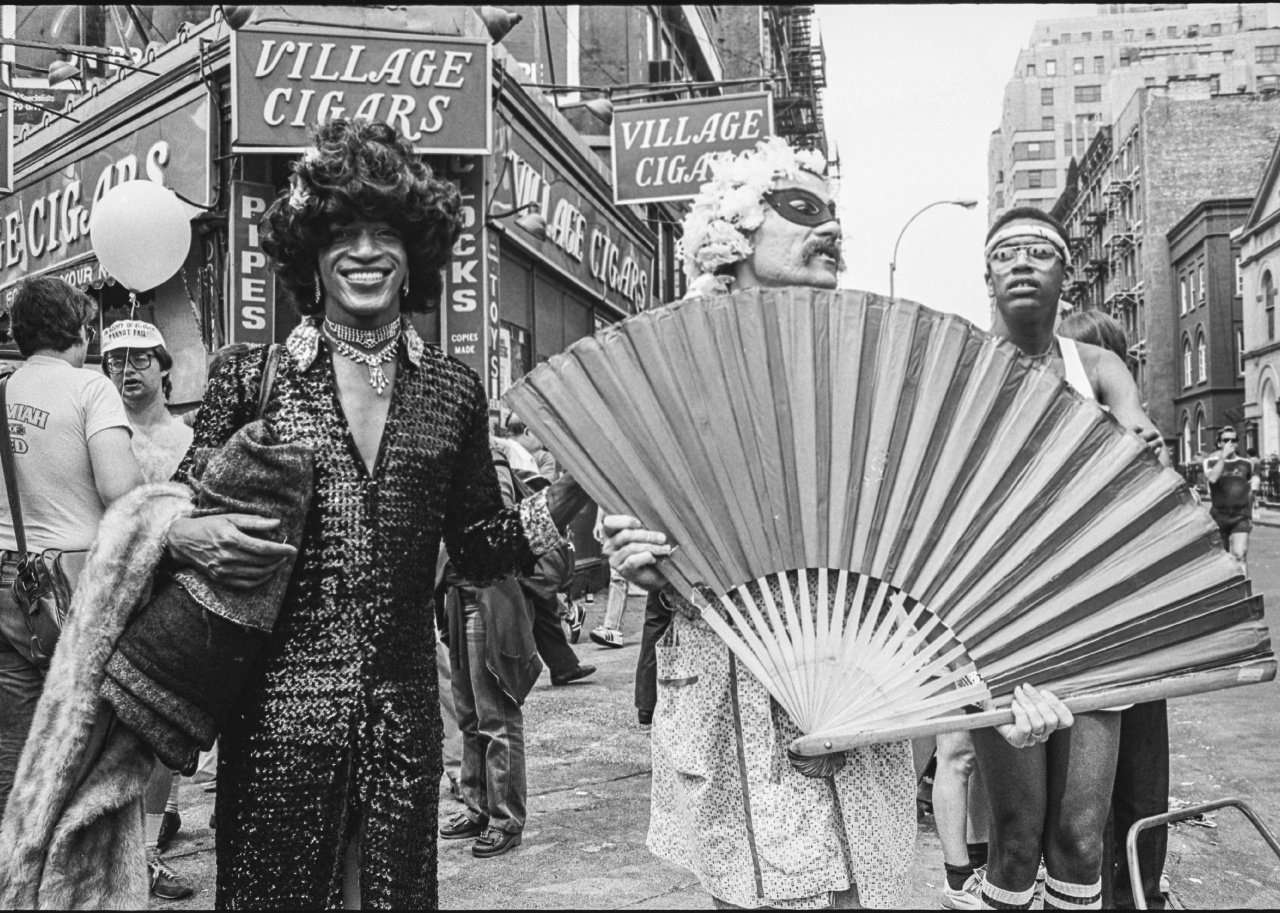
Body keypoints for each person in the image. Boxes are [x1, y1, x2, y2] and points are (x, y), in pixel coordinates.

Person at [600, 139, 1074, 910]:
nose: (829, 226)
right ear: (735, 233)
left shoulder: (872, 373)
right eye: (800, 209)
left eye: (833, 212)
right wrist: (632, 551)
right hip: (734, 714)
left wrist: (998, 695)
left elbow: (939, 553)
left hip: (865, 714)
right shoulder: (675, 363)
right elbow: (623, 508)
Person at [160, 119, 589, 908]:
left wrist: (576, 486)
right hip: (278, 720)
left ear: (413, 252)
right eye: (342, 232)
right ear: (311, 253)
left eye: (385, 231)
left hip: (401, 719)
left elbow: (481, 549)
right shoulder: (250, 378)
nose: (364, 250)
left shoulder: (452, 391)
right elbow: (174, 508)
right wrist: (188, 531)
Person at [975, 207, 1169, 911]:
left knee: (1083, 834)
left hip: (1094, 613)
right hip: (997, 619)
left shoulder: (1097, 365)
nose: (1022, 263)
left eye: (1040, 251)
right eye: (1006, 253)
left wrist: (1143, 447)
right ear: (987, 273)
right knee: (1018, 835)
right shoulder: (962, 361)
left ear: (1066, 275)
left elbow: (1138, 435)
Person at [0, 278, 141, 818]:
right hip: (69, 587)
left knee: (13, 756)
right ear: (80, 332)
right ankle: (74, 876)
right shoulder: (90, 388)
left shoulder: (5, 387)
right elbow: (119, 489)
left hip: (4, 582)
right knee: (83, 746)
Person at [1058, 307, 1171, 910]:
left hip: (1129, 635)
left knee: (1129, 789)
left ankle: (1133, 895)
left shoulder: (1131, 444)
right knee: (1101, 799)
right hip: (1100, 639)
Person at [100, 318, 196, 900]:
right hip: (113, 601)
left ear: (165, 367)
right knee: (110, 732)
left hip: (173, 603)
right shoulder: (102, 435)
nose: (127, 369)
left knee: (163, 733)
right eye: (116, 361)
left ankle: (149, 851)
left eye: (140, 358)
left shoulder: (190, 438)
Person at [438, 442, 541, 858]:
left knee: (495, 713)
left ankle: (505, 817)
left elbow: (501, 524)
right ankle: (478, 804)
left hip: (487, 594)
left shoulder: (488, 456)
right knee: (467, 713)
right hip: (456, 596)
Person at [1203, 427, 1254, 574]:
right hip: (1219, 516)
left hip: (1240, 517)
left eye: (1233, 440)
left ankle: (1245, 594)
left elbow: (1249, 492)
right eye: (1226, 440)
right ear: (1219, 443)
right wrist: (1223, 457)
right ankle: (1229, 591)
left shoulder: (1246, 464)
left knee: (1240, 555)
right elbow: (1212, 478)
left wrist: (1250, 516)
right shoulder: (1210, 462)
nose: (1230, 443)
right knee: (1223, 559)